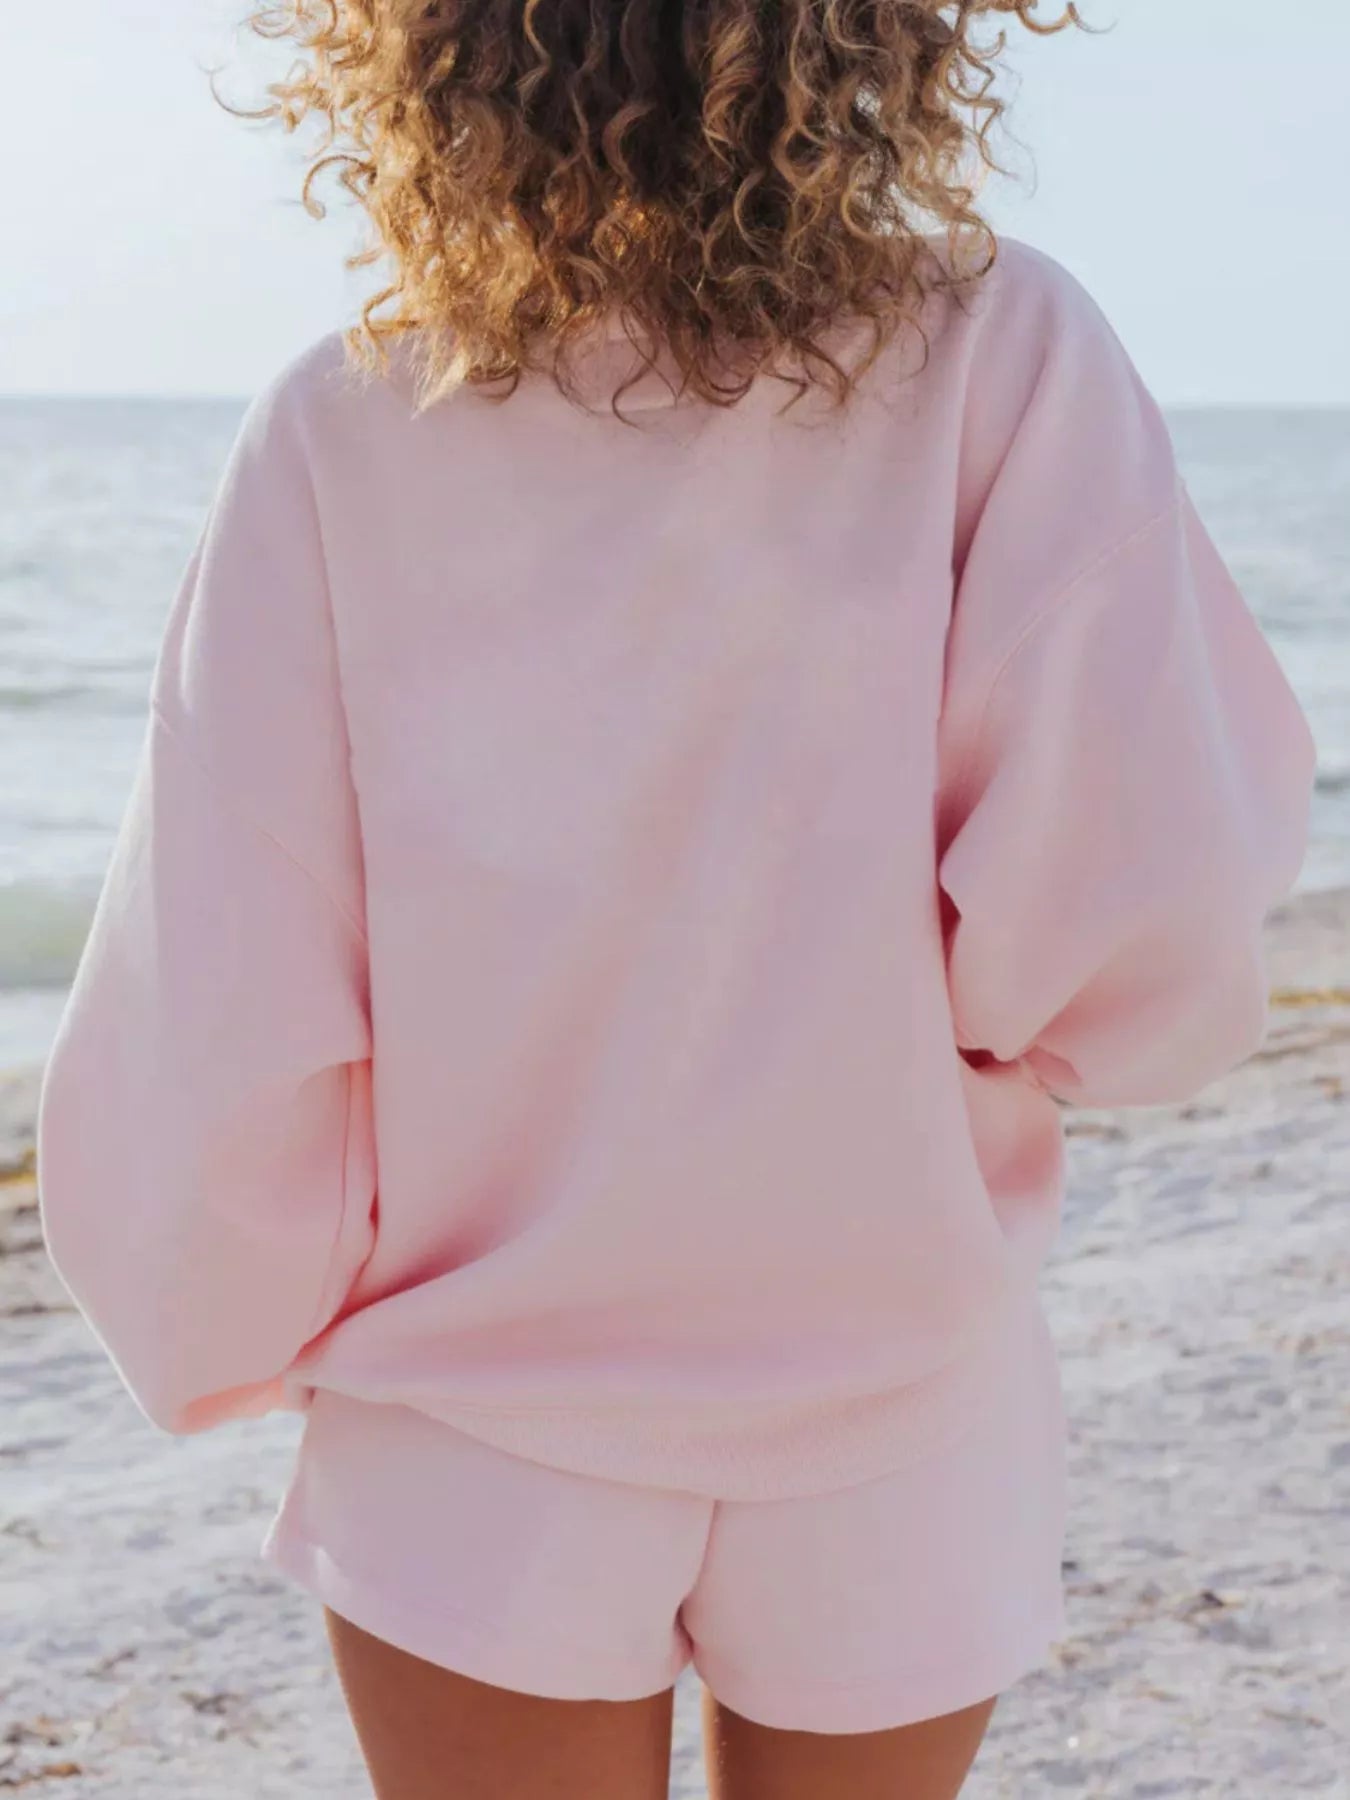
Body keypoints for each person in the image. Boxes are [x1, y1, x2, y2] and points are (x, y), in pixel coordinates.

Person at [38, 2, 1316, 1795]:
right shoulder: (997, 346)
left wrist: (230, 1314)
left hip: (468, 1400)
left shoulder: (341, 419)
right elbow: (1139, 905)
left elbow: (227, 993)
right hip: (889, 1366)